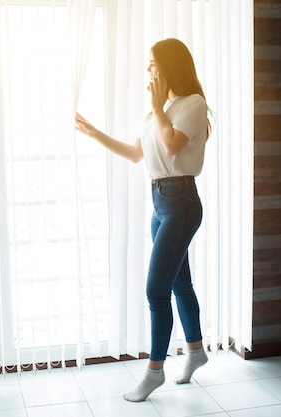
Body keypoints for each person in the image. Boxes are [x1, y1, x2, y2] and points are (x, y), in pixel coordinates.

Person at [75, 38, 212, 402]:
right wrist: (94, 133)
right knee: (180, 284)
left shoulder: (191, 104)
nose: (148, 71)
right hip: (161, 204)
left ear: (170, 67)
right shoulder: (160, 110)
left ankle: (154, 372)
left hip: (181, 203)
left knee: (156, 290)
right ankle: (196, 351)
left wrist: (157, 106)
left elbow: (171, 146)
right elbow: (138, 153)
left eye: (153, 64)